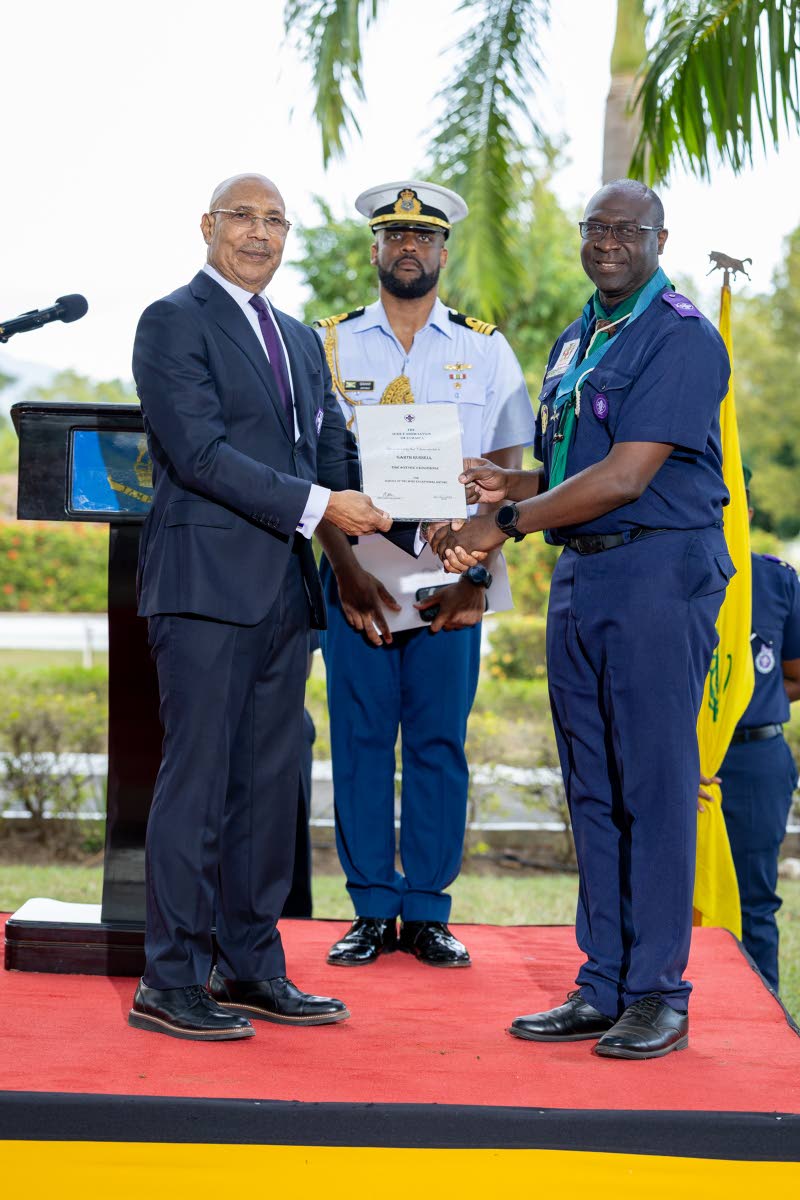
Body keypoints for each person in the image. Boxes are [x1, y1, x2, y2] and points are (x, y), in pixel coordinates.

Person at [430, 178, 733, 1057]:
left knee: (657, 789)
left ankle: (659, 993)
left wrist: (504, 522)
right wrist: (511, 486)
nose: (607, 241)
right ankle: (602, 982)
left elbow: (628, 476)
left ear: (659, 237)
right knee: (593, 789)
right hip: (584, 578)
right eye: (594, 227)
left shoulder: (678, 336)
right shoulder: (578, 338)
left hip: (655, 573)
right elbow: (573, 464)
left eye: (625, 229)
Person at [129, 173, 392, 1041]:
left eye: (275, 220)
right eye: (242, 216)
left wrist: (406, 514)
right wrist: (323, 507)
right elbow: (199, 452)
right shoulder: (172, 321)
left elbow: (326, 448)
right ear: (207, 226)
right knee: (198, 785)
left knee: (267, 790)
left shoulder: (298, 340)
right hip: (204, 590)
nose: (260, 232)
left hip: (285, 593)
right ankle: (169, 979)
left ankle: (249, 965)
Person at [315, 180, 535, 967]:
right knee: (363, 741)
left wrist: (479, 578)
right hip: (359, 574)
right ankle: (373, 908)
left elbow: (508, 475)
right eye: (394, 234)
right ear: (374, 250)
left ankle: (430, 910)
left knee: (440, 742)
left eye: (424, 236)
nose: (409, 247)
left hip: (454, 572)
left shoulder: (484, 347)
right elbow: (312, 470)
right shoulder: (329, 343)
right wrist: (342, 572)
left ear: (443, 252)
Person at [716, 469, 800, 992]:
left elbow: (793, 675)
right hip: (679, 756)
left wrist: (741, 704)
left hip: (752, 759)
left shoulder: (774, 579)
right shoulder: (665, 576)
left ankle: (764, 1009)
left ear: (746, 512)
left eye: (734, 503)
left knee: (754, 900)